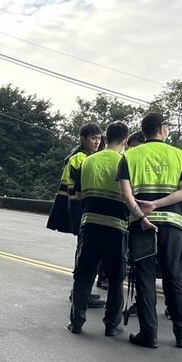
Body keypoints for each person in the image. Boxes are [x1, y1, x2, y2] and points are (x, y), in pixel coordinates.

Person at [117, 112, 182, 349]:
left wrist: (143, 214)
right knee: (174, 277)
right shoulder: (178, 155)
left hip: (142, 226)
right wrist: (159, 205)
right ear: (162, 129)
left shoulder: (129, 156)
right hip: (171, 224)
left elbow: (125, 193)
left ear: (143, 130)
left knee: (145, 277)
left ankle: (149, 334)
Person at [68, 122, 130, 335]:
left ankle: (77, 321)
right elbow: (132, 196)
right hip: (116, 228)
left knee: (83, 275)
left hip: (90, 225)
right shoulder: (126, 162)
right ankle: (112, 325)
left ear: (105, 138)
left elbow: (76, 194)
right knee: (115, 278)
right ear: (125, 141)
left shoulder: (88, 161)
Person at [46, 122, 105, 308]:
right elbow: (80, 190)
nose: (97, 142)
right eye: (93, 138)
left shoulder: (83, 155)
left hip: (79, 210)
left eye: (99, 138)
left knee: (84, 252)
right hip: (81, 210)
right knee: (84, 253)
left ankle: (82, 292)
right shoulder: (80, 158)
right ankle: (80, 294)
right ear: (83, 139)